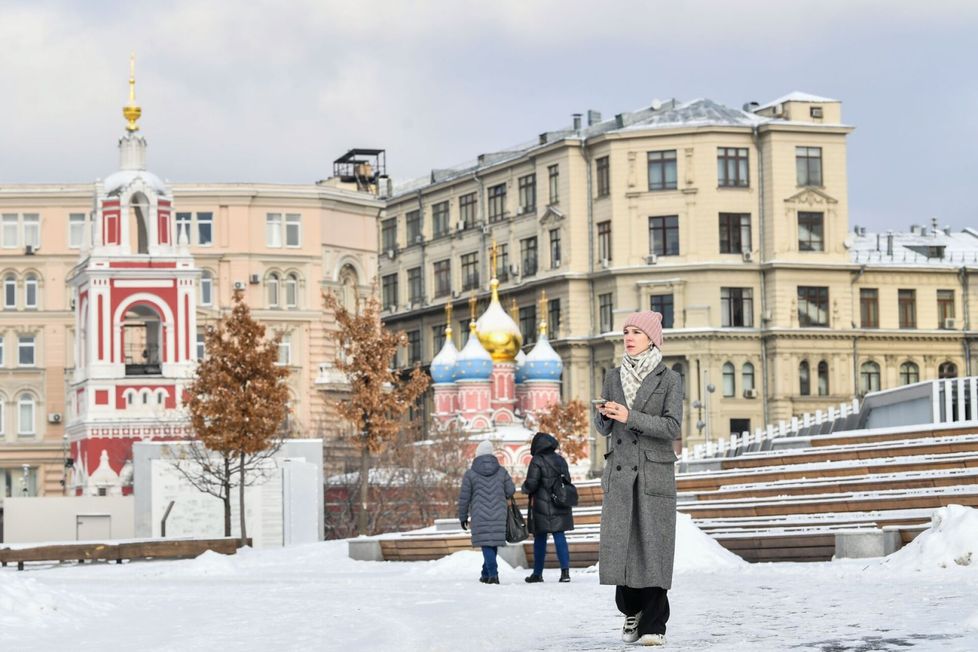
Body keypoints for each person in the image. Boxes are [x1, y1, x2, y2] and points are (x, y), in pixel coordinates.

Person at [594, 310, 682, 647]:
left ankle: (655, 624)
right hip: (620, 473)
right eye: (626, 332)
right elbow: (604, 429)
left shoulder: (669, 379)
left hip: (653, 472)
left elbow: (672, 427)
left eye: (636, 332)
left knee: (654, 548)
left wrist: (630, 416)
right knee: (622, 547)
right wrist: (603, 415)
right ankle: (631, 611)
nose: (629, 338)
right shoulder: (613, 376)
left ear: (651, 339)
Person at [458, 439, 516, 584]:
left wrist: (463, 517)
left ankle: (493, 575)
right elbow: (510, 490)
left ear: (477, 455)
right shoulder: (502, 471)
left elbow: (464, 498)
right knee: (492, 543)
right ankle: (486, 574)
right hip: (499, 513)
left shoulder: (470, 474)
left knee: (486, 543)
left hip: (480, 514)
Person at [521, 431, 574, 583]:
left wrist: (524, 488)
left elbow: (532, 483)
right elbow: (567, 480)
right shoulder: (560, 460)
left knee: (540, 537)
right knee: (559, 535)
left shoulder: (537, 460)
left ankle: (537, 573)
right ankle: (565, 573)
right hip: (560, 502)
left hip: (542, 504)